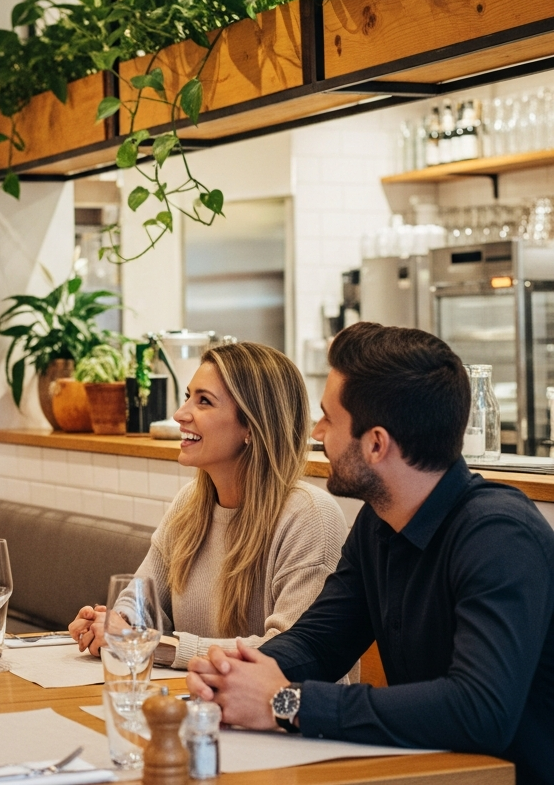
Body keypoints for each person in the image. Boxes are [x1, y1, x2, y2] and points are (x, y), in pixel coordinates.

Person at [187, 322, 554, 785]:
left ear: (376, 443)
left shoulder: (500, 537)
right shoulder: (380, 521)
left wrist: (288, 703)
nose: (317, 433)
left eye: (328, 419)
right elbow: (320, 641)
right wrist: (235, 676)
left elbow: (479, 709)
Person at [69, 342, 348, 670]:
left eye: (204, 401)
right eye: (188, 396)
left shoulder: (310, 517)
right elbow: (141, 599)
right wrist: (112, 623)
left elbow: (291, 652)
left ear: (250, 425)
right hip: (201, 704)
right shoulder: (189, 504)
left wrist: (160, 646)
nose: (180, 414)